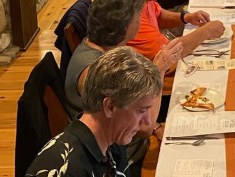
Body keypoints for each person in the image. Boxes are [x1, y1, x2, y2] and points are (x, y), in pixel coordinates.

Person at [26, 47, 162, 177]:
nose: (147, 121)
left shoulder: (113, 140)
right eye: (140, 111)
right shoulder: (63, 168)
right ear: (110, 106)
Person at [64, 0, 179, 115]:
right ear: (126, 26)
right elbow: (144, 125)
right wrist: (159, 69)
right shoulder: (98, 70)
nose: (141, 22)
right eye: (139, 17)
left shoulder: (106, 48)